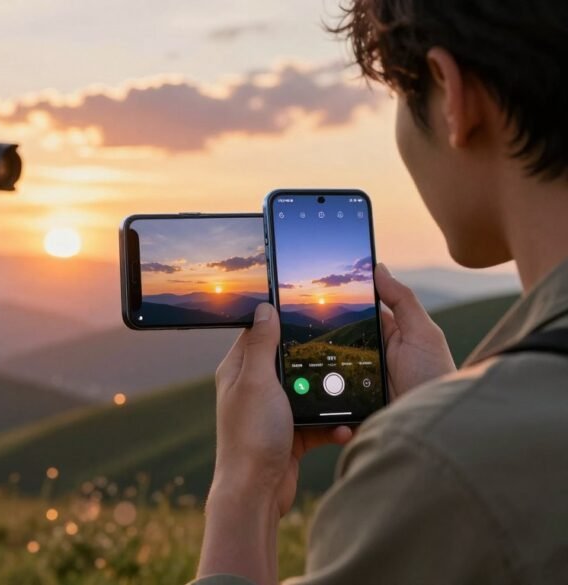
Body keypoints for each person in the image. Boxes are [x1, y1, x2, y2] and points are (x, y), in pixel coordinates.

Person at [193, 0, 568, 583]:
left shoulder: (442, 471)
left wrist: (244, 489)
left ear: (451, 95)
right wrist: (449, 404)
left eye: (395, 94)